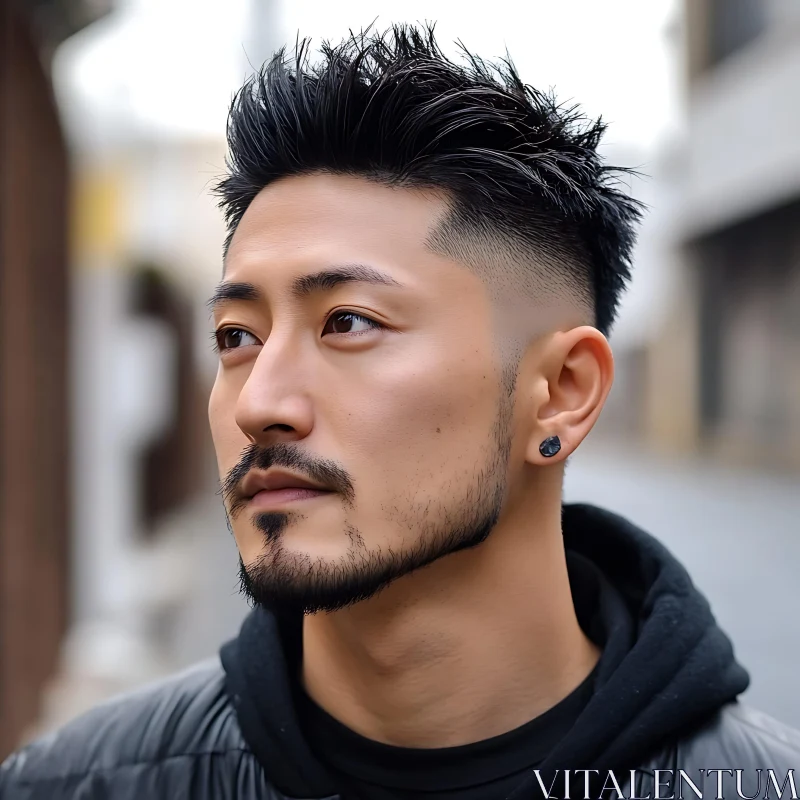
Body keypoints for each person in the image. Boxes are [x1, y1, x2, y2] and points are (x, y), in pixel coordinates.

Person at [2, 24, 799, 800]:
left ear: (560, 392)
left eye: (348, 322)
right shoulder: (77, 783)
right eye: (236, 336)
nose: (260, 403)